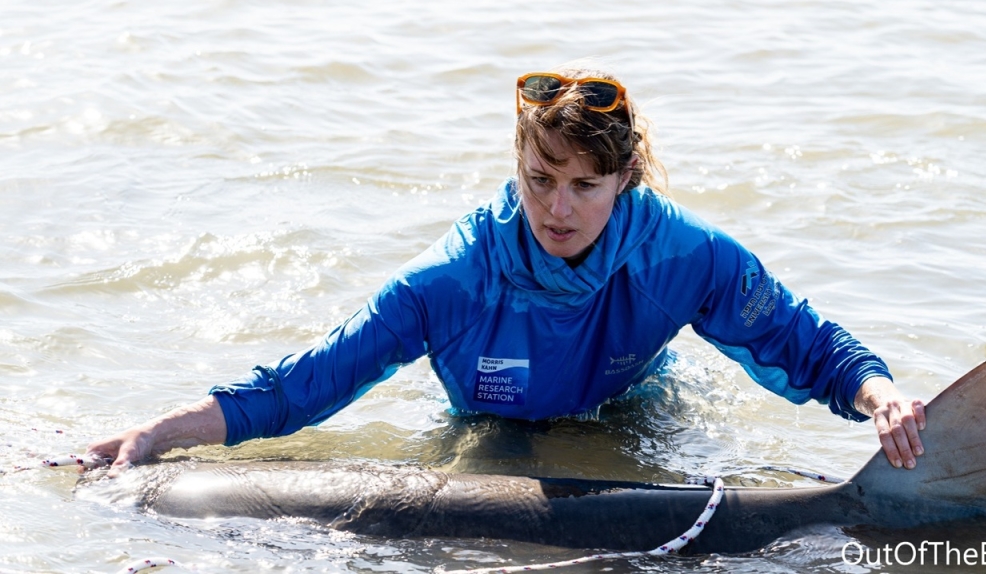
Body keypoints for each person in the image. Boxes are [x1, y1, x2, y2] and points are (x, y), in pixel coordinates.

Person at [88, 66, 927, 477]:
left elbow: (798, 338)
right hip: (490, 429)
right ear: (517, 164)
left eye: (584, 187)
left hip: (632, 405)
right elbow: (307, 385)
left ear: (625, 179)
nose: (557, 209)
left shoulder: (684, 255)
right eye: (539, 180)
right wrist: (160, 433)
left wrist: (880, 393)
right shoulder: (451, 280)